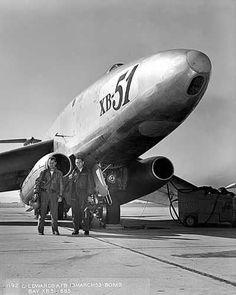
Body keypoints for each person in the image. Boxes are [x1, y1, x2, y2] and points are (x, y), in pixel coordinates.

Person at [34, 156, 64, 235]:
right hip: (44, 194)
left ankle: (55, 230)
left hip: (54, 195)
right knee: (42, 212)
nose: (51, 164)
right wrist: (36, 193)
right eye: (50, 163)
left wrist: (60, 195)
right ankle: (40, 230)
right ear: (48, 163)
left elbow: (61, 185)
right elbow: (37, 182)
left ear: (55, 163)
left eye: (53, 163)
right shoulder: (43, 173)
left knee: (54, 213)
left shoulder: (59, 173)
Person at [68, 155, 95, 236]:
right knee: (75, 213)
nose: (78, 164)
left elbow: (90, 183)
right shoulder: (74, 171)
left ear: (83, 162)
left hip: (84, 194)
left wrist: (90, 195)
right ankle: (76, 230)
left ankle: (86, 230)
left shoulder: (87, 171)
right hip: (75, 195)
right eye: (76, 162)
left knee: (85, 213)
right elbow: (71, 184)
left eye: (79, 162)